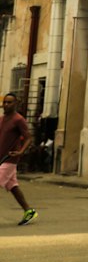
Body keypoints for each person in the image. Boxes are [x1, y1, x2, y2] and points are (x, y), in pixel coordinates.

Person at [0, 92, 38, 225]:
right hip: (1, 158)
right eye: (5, 102)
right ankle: (29, 211)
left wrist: (20, 152)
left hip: (10, 158)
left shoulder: (18, 119)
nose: (6, 104)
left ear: (16, 104)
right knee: (13, 187)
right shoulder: (2, 118)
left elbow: (28, 137)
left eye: (9, 102)